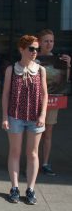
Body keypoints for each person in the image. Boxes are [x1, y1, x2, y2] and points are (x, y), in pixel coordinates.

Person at [2, 35, 47, 204]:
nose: (35, 52)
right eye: (31, 49)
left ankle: (30, 188)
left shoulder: (40, 70)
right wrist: (5, 116)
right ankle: (14, 187)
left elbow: (44, 94)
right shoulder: (11, 70)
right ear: (22, 49)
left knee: (33, 153)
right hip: (15, 116)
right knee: (15, 151)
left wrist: (43, 114)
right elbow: (5, 94)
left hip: (35, 117)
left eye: (37, 49)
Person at [36, 29, 71, 176]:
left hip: (52, 99)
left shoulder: (59, 60)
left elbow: (65, 81)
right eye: (46, 41)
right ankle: (34, 163)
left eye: (51, 41)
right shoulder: (33, 57)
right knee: (34, 133)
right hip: (36, 100)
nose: (49, 43)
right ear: (39, 42)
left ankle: (45, 163)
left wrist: (68, 65)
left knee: (48, 132)